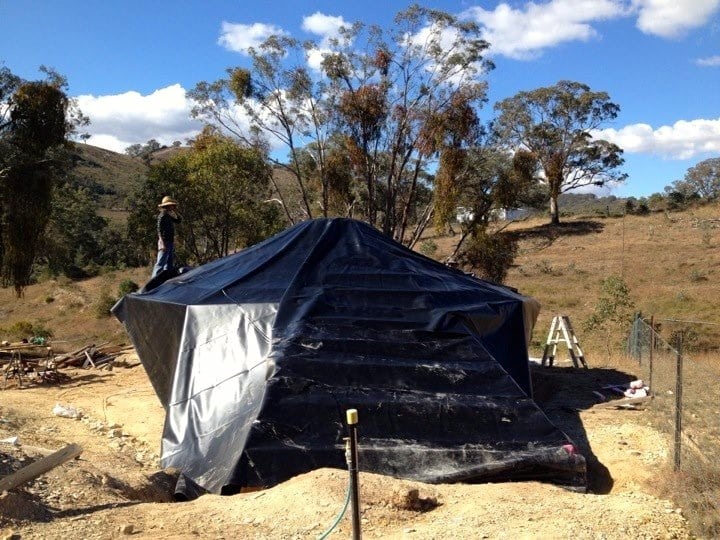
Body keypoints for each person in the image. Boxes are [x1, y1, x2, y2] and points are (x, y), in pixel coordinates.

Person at [151, 196, 182, 279]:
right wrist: (162, 243)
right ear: (167, 206)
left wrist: (176, 212)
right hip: (165, 242)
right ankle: (153, 281)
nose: (173, 207)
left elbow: (178, 220)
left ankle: (166, 280)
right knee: (160, 263)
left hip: (170, 242)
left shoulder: (168, 215)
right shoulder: (162, 215)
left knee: (169, 264)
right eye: (172, 205)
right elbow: (159, 229)